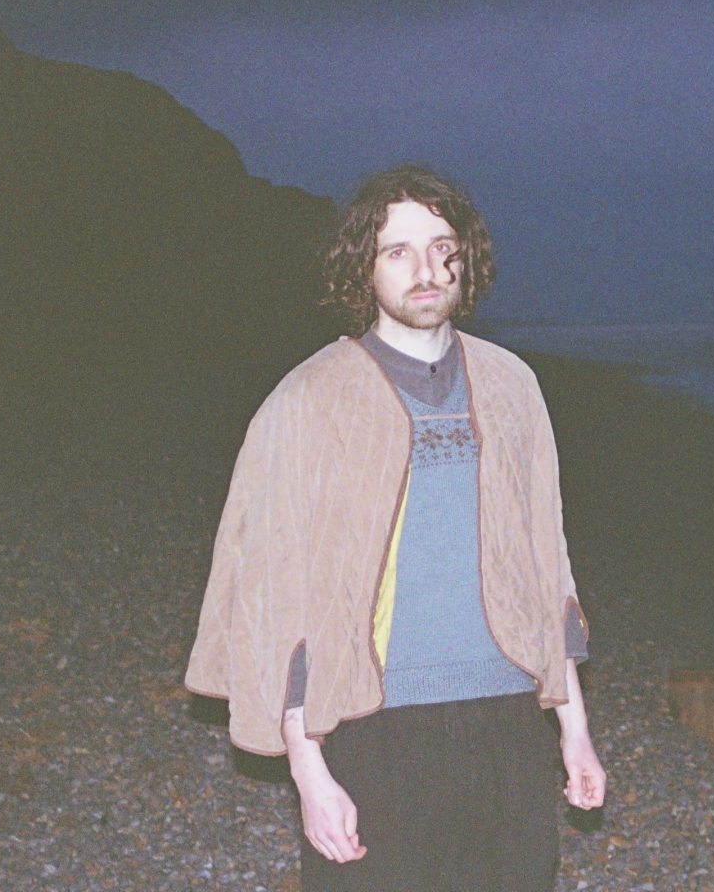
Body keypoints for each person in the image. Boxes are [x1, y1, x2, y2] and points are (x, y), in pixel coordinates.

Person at [185, 165, 605, 891]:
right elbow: (269, 586)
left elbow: (546, 559)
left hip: (505, 717)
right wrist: (308, 770)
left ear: (465, 257)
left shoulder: (511, 386)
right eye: (397, 251)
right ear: (363, 268)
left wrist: (574, 730)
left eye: (442, 246)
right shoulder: (310, 398)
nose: (425, 269)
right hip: (369, 725)